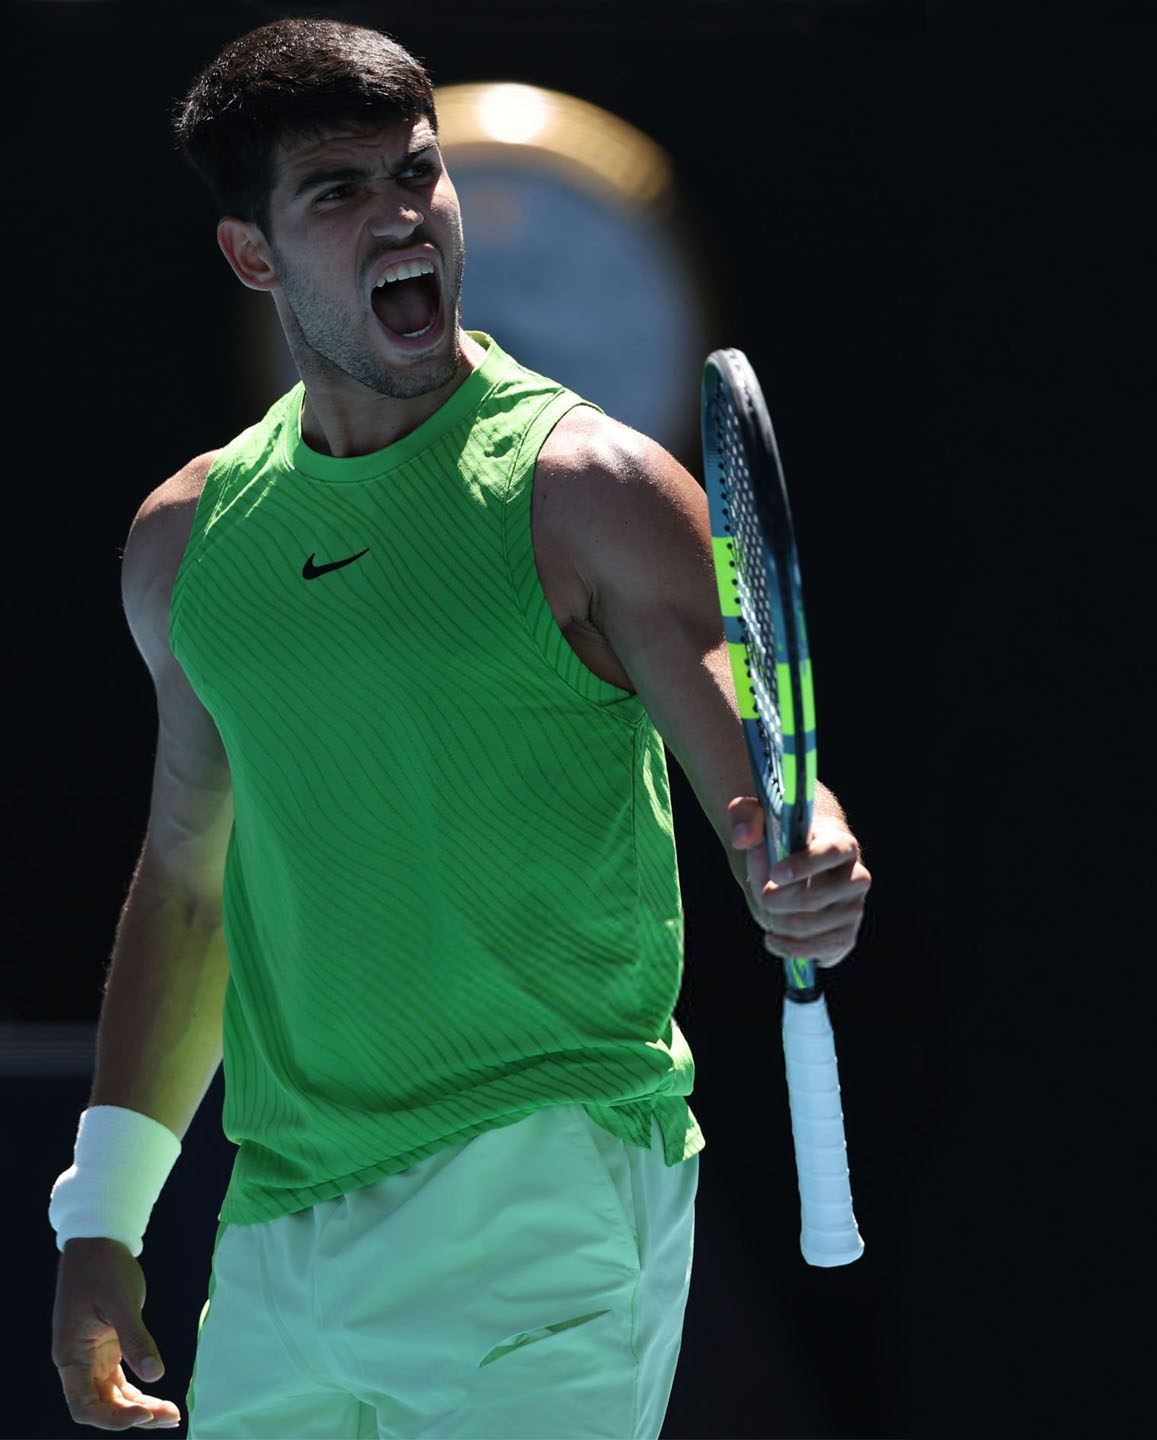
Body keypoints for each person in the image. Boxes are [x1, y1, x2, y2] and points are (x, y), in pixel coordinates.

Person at [49, 17, 871, 1438]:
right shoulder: (187, 546)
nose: (402, 217)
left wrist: (813, 871)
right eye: (338, 191)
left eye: (417, 173)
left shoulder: (593, 491)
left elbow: (769, 792)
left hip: (542, 1189)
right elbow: (187, 886)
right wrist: (102, 1216)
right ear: (253, 255)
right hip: (283, 1227)